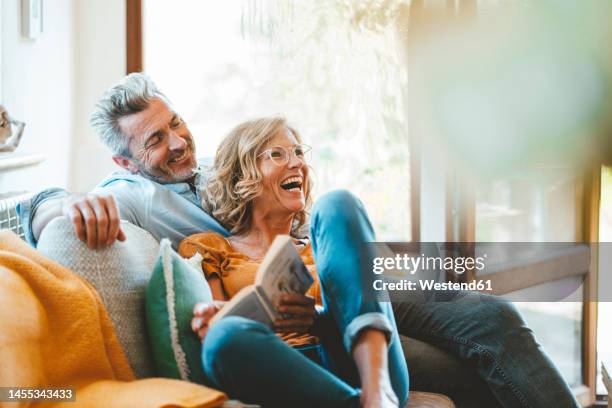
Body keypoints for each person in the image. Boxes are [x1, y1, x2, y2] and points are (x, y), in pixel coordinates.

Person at [17, 73, 579, 407]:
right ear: (124, 160)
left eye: (178, 123)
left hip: (344, 278)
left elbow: (307, 199)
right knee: (483, 332)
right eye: (156, 140)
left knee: (486, 315)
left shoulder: (220, 164)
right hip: (311, 321)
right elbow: (25, 211)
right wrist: (56, 206)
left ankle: (380, 375)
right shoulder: (135, 196)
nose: (180, 142)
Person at [179, 117, 408, 407]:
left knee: (337, 203)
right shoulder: (210, 248)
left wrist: (319, 320)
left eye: (299, 152)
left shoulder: (326, 245)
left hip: (355, 360)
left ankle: (378, 391)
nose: (297, 163)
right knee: (223, 337)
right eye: (278, 154)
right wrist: (223, 315)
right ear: (242, 177)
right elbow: (216, 323)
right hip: (283, 369)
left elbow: (382, 294)